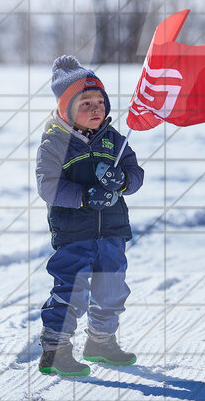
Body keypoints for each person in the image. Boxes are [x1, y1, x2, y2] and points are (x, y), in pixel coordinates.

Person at [35, 56, 145, 377]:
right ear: (66, 107)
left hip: (111, 230)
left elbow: (135, 173)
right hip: (74, 232)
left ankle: (101, 341)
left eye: (100, 101)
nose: (96, 108)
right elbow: (47, 184)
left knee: (112, 288)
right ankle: (55, 349)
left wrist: (122, 181)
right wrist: (84, 196)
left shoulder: (114, 140)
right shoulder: (55, 142)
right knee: (71, 289)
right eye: (86, 103)